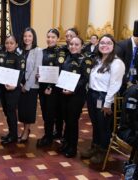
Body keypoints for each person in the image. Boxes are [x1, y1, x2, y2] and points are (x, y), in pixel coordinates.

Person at [82, 34, 125, 163]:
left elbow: (115, 85)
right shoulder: (97, 60)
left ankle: (102, 151)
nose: (104, 45)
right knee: (95, 124)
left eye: (108, 43)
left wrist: (107, 103)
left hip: (104, 97)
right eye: (102, 43)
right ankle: (94, 147)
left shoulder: (117, 63)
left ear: (113, 46)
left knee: (104, 126)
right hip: (92, 95)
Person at [58, 36, 93, 158]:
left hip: (76, 96)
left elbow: (85, 78)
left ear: (82, 46)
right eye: (71, 44)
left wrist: (72, 89)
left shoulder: (85, 60)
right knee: (66, 120)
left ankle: (72, 147)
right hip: (64, 94)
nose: (73, 46)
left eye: (76, 44)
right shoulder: (67, 58)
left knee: (72, 121)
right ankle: (66, 142)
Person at [36, 28, 66, 147]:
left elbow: (59, 71)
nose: (50, 39)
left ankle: (48, 137)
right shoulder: (42, 52)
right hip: (42, 87)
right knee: (44, 112)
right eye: (48, 37)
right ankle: (49, 133)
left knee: (50, 113)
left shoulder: (60, 53)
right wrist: (37, 74)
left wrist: (50, 87)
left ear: (58, 39)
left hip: (53, 89)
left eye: (53, 37)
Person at [17, 27, 43, 143]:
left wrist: (26, 86)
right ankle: (25, 129)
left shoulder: (38, 51)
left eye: (29, 36)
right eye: (25, 36)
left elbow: (36, 70)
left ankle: (26, 130)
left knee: (28, 110)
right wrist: (19, 84)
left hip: (31, 86)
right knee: (22, 110)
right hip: (19, 85)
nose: (27, 38)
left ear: (33, 38)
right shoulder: (19, 50)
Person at [0, 35, 26, 146]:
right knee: (6, 111)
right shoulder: (3, 55)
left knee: (11, 112)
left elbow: (21, 73)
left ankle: (14, 136)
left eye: (11, 43)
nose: (9, 45)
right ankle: (11, 133)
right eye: (7, 43)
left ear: (16, 44)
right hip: (3, 88)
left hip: (13, 89)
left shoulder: (19, 57)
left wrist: (14, 85)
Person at [116, 20, 138, 91]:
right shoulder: (121, 46)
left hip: (132, 84)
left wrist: (133, 81)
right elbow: (117, 68)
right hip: (120, 83)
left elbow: (134, 66)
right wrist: (127, 81)